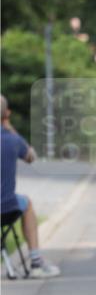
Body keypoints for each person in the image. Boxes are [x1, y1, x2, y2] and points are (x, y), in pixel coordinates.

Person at [0, 94, 60, 277]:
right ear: (7, 114)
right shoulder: (12, 140)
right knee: (27, 203)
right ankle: (36, 262)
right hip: (6, 207)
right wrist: (9, 127)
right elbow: (31, 156)